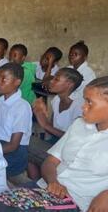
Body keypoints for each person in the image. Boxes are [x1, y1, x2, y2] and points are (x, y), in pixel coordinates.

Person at [28, 77, 108, 212]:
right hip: (46, 188)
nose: (83, 106)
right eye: (84, 100)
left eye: (89, 102)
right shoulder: (79, 124)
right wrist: (53, 182)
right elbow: (51, 162)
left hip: (75, 203)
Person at [28, 68, 83, 180]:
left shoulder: (79, 106)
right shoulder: (56, 100)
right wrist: (41, 113)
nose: (51, 81)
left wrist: (44, 124)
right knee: (27, 147)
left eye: (56, 79)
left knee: (29, 148)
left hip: (68, 148)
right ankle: (37, 183)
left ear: (69, 84)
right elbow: (51, 128)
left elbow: (73, 138)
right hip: (55, 142)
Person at [0, 63, 32, 177]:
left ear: (17, 82)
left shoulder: (22, 107)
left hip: (13, 153)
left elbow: (13, 145)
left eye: (4, 79)